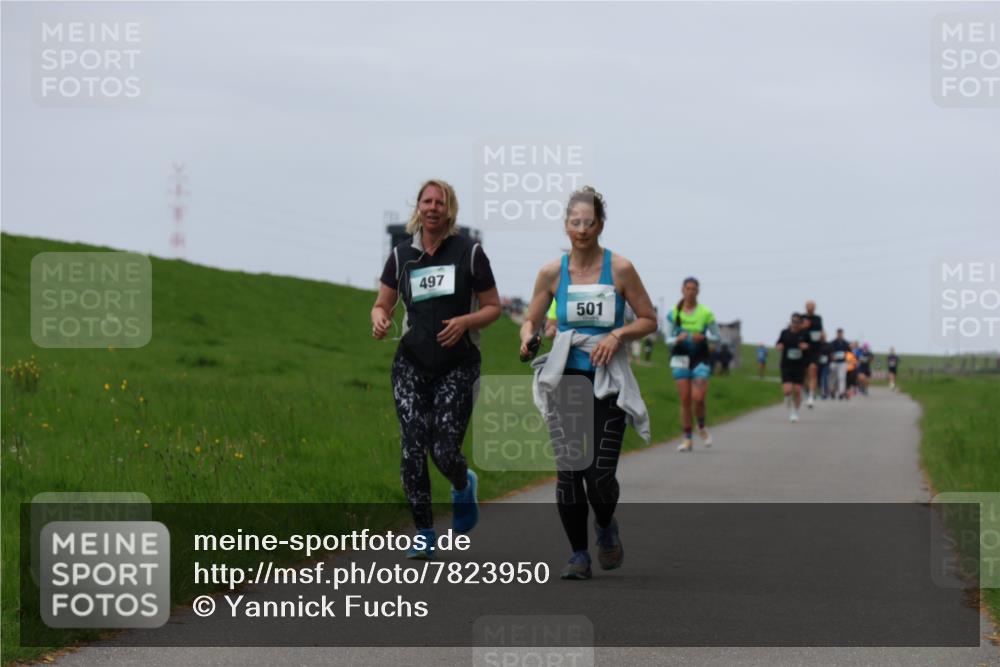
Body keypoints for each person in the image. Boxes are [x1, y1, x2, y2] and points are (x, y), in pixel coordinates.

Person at [519, 186, 657, 580]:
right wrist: (528, 339)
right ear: (566, 225)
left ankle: (606, 525)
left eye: (589, 221)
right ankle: (579, 554)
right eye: (574, 221)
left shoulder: (621, 269)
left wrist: (617, 336)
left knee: (598, 474)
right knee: (569, 471)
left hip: (607, 380)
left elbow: (648, 319)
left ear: (600, 224)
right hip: (565, 377)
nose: (581, 228)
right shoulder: (551, 273)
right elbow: (531, 319)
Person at [371, 179, 501, 560]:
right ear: (418, 207)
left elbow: (493, 306)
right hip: (411, 364)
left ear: (449, 209)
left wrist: (465, 321)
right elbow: (382, 303)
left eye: (439, 202)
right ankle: (424, 532)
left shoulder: (470, 252)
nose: (432, 207)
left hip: (458, 364)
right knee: (413, 446)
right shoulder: (401, 256)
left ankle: (463, 483)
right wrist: (379, 319)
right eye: (426, 201)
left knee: (444, 449)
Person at [666, 277, 720, 451]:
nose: (690, 291)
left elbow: (716, 336)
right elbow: (667, 339)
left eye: (694, 289)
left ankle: (702, 426)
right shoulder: (674, 312)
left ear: (698, 291)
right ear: (682, 290)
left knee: (698, 397)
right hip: (680, 358)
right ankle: (688, 438)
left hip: (700, 358)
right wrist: (677, 338)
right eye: (687, 288)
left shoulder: (705, 313)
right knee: (685, 400)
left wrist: (704, 337)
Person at [776, 313, 810, 422]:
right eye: (793, 321)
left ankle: (795, 412)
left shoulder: (804, 334)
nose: (795, 324)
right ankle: (787, 397)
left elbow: (811, 346)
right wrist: (779, 346)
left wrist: (805, 346)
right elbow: (778, 343)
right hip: (786, 364)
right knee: (788, 390)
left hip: (799, 365)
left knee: (798, 390)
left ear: (801, 323)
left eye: (797, 322)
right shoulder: (785, 333)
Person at [802, 301, 824, 409]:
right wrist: (803, 326)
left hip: (815, 349)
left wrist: (823, 336)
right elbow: (796, 329)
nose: (810, 308)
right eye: (809, 306)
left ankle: (811, 396)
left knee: (813, 370)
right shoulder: (801, 317)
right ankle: (806, 391)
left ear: (815, 308)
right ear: (805, 307)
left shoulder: (818, 318)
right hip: (803, 350)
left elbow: (821, 330)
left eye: (812, 306)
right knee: (805, 374)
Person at [829, 328, 851, 400]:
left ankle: (841, 392)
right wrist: (832, 356)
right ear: (837, 334)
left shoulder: (845, 343)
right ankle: (832, 390)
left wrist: (848, 360)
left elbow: (849, 352)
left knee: (842, 377)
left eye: (841, 333)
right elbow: (829, 351)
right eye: (838, 333)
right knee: (833, 378)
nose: (840, 335)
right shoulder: (833, 342)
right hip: (834, 362)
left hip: (842, 362)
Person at [817, 333, 833, 399]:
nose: (823, 338)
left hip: (826, 364)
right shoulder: (816, 345)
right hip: (818, 364)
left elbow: (831, 354)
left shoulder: (828, 345)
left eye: (824, 337)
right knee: (819, 378)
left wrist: (831, 360)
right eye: (821, 337)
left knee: (824, 378)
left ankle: (825, 393)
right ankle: (818, 392)